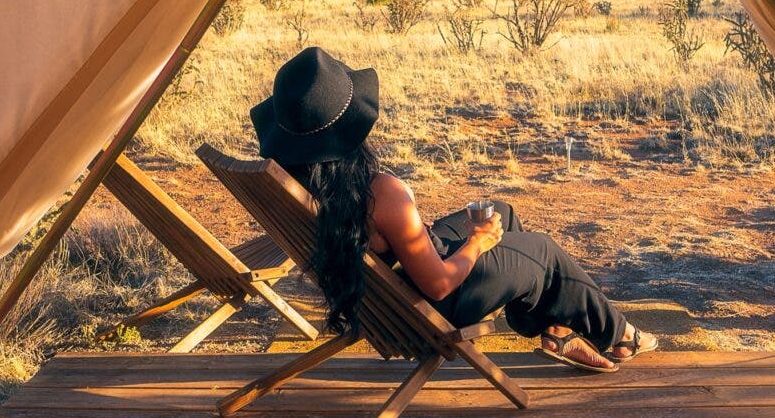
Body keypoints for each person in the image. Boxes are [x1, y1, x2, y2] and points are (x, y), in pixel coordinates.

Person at [251, 47, 657, 372]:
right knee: (542, 251)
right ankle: (619, 334)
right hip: (424, 309)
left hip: (381, 295)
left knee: (501, 210)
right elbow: (440, 284)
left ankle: (557, 329)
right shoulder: (381, 192)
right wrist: (477, 244)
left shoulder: (298, 183)